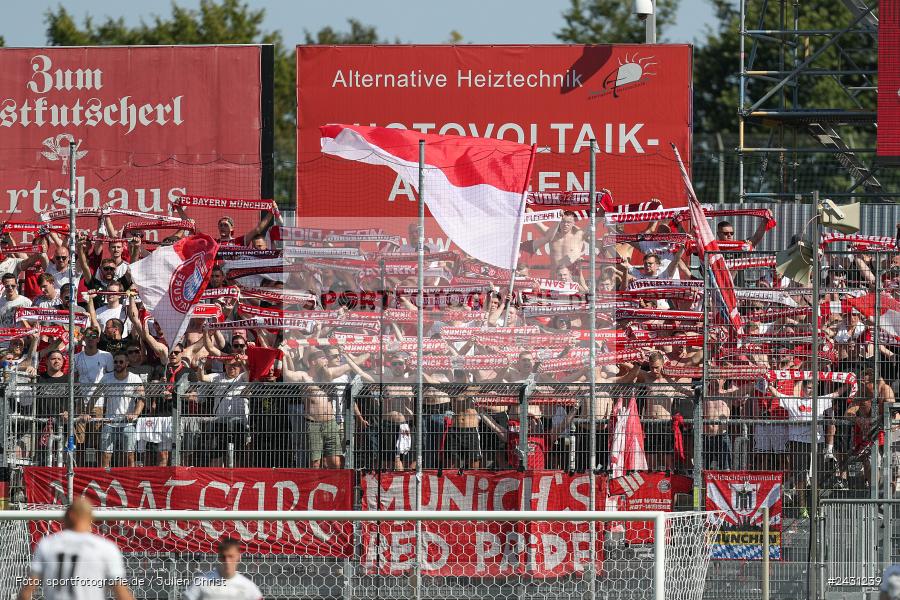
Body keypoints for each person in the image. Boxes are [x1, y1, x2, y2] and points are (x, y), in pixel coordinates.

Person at [16, 498, 133, 600]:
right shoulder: (106, 548)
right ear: (90, 519)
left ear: (70, 516)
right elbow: (121, 594)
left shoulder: (47, 544)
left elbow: (27, 592)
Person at [90, 352, 145, 468]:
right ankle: (104, 481)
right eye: (115, 362)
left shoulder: (135, 378)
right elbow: (94, 396)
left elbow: (141, 399)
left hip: (127, 423)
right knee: (105, 456)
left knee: (129, 456)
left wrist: (135, 414)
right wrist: (86, 413)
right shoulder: (106, 378)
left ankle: (130, 481)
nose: (118, 364)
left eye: (121, 362)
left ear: (127, 363)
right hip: (109, 422)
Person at [182, 537, 262, 600]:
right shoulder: (201, 582)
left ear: (238, 557)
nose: (227, 561)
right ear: (219, 558)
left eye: (231, 556)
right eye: (224, 557)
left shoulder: (248, 587)